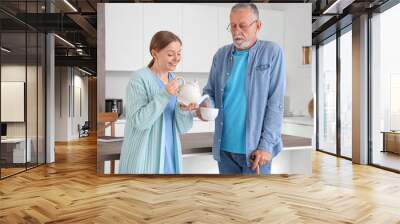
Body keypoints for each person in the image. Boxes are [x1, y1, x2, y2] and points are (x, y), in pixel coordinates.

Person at [200, 3, 286, 174]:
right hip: (224, 150)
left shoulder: (272, 52)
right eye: (233, 25)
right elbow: (209, 92)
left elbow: (275, 103)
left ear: (258, 25)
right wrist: (205, 105)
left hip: (256, 152)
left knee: (254, 199)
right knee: (229, 200)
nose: (236, 31)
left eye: (243, 25)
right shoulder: (220, 55)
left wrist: (266, 145)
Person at [119, 31, 197, 174]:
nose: (176, 58)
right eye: (170, 54)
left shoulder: (176, 81)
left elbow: (183, 128)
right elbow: (139, 121)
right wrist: (165, 94)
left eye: (179, 53)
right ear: (155, 54)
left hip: (170, 156)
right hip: (144, 159)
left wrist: (184, 109)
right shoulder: (139, 79)